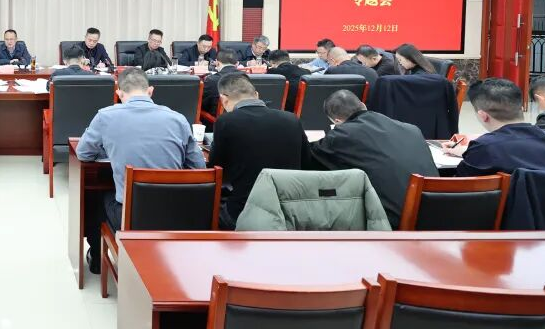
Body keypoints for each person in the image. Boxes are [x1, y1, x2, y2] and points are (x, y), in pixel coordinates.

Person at [76, 68, 204, 273]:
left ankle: (97, 258)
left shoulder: (106, 116)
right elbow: (199, 168)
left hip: (131, 216)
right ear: (150, 91)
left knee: (95, 195)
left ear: (118, 93)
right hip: (177, 213)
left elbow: (83, 153)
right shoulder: (178, 118)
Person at [308, 90, 436, 228]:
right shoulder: (412, 129)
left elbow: (310, 155)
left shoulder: (341, 136)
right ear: (363, 105)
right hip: (439, 215)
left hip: (392, 225)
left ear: (337, 121)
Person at [209, 72, 310, 229]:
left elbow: (217, 169)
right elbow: (306, 163)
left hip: (243, 212)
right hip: (288, 212)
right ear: (256, 94)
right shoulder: (292, 119)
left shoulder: (226, 121)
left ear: (224, 99)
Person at [444, 78, 545, 177]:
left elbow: (459, 184)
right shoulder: (541, 137)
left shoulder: (484, 147)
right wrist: (468, 151)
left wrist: (473, 152)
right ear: (521, 108)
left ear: (483, 116)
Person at [201, 49, 241, 120]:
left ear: (217, 63)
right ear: (237, 64)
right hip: (242, 118)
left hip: (217, 121)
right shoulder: (246, 78)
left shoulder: (212, 79)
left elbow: (203, 104)